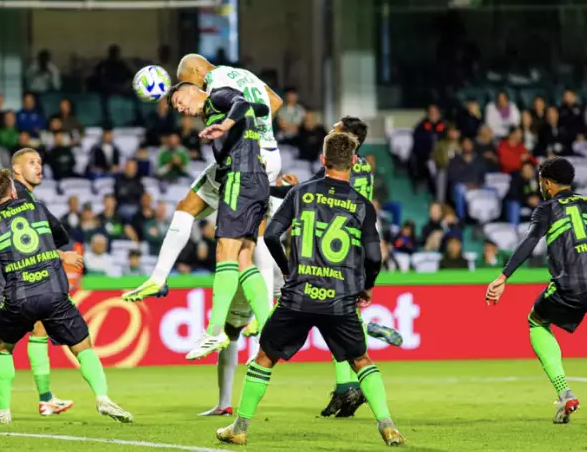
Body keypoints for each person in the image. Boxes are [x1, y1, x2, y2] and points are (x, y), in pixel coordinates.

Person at [216, 132, 405, 446]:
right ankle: (387, 425)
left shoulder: (300, 193)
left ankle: (240, 427)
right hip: (340, 298)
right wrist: (367, 287)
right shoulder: (362, 205)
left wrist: (288, 270)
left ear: (323, 160)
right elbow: (374, 256)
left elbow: (271, 236)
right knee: (361, 360)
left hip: (298, 295)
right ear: (353, 162)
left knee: (264, 358)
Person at [0, 170, 132, 425]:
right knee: (83, 347)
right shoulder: (36, 208)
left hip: (18, 298)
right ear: (12, 191)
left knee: (2, 349)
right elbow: (61, 236)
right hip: (53, 292)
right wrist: (49, 251)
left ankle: (3, 412)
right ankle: (102, 397)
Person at [122, 54, 283, 315]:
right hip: (266, 152)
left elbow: (239, 105)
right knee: (248, 233)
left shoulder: (216, 83)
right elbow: (275, 102)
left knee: (244, 243)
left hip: (248, 159)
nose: (192, 87)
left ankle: (267, 303)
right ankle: (268, 300)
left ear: (197, 72)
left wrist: (238, 129)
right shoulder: (243, 74)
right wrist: (257, 129)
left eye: (188, 80)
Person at [268, 117, 402, 418]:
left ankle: (346, 386)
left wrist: (278, 190)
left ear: (349, 138)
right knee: (343, 314)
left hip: (334, 247)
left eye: (337, 130)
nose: (330, 132)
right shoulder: (363, 168)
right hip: (357, 242)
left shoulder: (336, 165)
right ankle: (348, 383)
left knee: (331, 312)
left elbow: (315, 194)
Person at [0, 148, 75, 420]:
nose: (39, 167)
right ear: (16, 170)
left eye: (40, 162)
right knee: (1, 347)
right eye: (32, 162)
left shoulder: (15, 194)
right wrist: (58, 255)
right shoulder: (16, 196)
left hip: (7, 277)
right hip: (1, 278)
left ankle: (45, 398)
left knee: (38, 328)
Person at [486, 157, 587, 424]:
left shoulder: (548, 208)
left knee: (537, 320)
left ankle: (565, 393)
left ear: (547, 183)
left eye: (541, 182)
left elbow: (531, 240)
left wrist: (504, 276)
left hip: (574, 285)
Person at [161, 79, 273, 360]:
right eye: (177, 108)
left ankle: (214, 332)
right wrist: (246, 114)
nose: (181, 109)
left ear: (191, 90)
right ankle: (269, 327)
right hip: (257, 181)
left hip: (240, 178)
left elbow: (240, 102)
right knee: (244, 258)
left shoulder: (216, 97)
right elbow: (257, 107)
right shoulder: (215, 112)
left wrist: (225, 125)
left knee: (225, 251)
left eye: (179, 102)